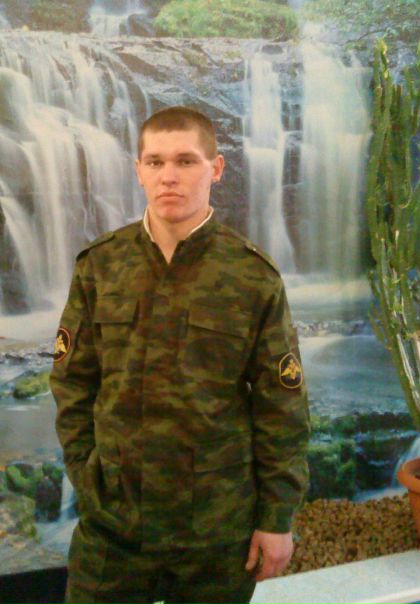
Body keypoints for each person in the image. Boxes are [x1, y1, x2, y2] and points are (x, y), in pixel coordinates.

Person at [50, 106, 310, 604]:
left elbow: (282, 406)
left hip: (215, 530)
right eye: (155, 162)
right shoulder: (100, 267)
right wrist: (88, 474)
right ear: (139, 170)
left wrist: (277, 518)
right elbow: (72, 383)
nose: (168, 176)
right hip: (115, 528)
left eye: (186, 161)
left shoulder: (252, 277)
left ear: (216, 168)